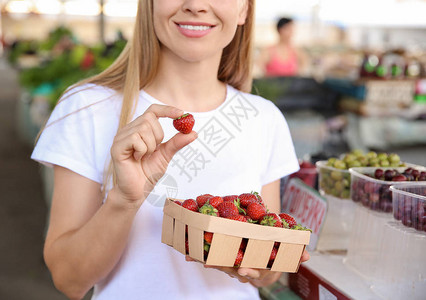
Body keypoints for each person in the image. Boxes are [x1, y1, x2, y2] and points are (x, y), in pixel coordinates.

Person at [31, 1, 309, 299]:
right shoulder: (87, 107)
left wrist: (259, 263)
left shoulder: (264, 118)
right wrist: (124, 200)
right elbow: (68, 279)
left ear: (243, 10)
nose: (196, 5)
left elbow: (267, 273)